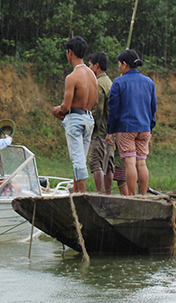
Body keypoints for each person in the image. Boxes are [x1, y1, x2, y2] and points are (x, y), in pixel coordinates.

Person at [106, 49, 157, 195]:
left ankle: (132, 197)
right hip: (144, 127)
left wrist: (110, 131)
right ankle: (143, 196)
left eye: (119, 64)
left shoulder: (118, 82)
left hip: (126, 128)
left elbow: (114, 110)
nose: (118, 67)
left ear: (124, 64)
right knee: (141, 163)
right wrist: (150, 127)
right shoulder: (149, 82)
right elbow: (153, 107)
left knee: (129, 163)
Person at [52, 36, 97, 193]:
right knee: (81, 159)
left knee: (77, 161)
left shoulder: (72, 77)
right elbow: (95, 101)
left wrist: (57, 110)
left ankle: (81, 196)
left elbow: (66, 106)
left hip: (75, 120)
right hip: (89, 118)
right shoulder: (92, 75)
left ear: (70, 52)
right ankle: (77, 192)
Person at [88, 51, 115, 194]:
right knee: (108, 165)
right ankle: (108, 194)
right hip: (110, 132)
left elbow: (97, 110)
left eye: (90, 65)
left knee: (95, 163)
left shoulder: (98, 84)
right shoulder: (110, 83)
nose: (89, 68)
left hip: (99, 132)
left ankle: (99, 193)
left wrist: (88, 126)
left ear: (97, 66)